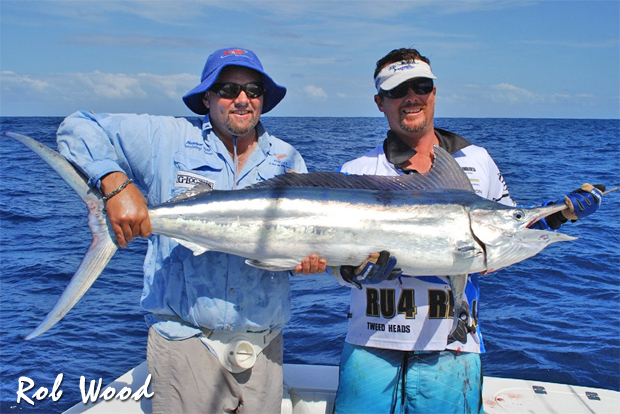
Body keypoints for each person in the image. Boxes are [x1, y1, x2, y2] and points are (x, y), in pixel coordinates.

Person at [332, 48, 604, 414]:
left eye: (421, 86)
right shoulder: (357, 171)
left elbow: (503, 235)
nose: (411, 97)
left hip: (454, 345)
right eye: (398, 91)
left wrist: (560, 216)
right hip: (371, 341)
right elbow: (332, 258)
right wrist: (348, 271)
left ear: (434, 93)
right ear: (380, 102)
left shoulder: (477, 160)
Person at [56, 47, 326, 413]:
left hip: (264, 350)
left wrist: (301, 260)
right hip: (186, 346)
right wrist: (116, 182)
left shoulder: (288, 158)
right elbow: (78, 125)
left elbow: (288, 250)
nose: (242, 99)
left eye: (254, 90)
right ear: (207, 97)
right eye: (229, 89)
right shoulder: (165, 139)